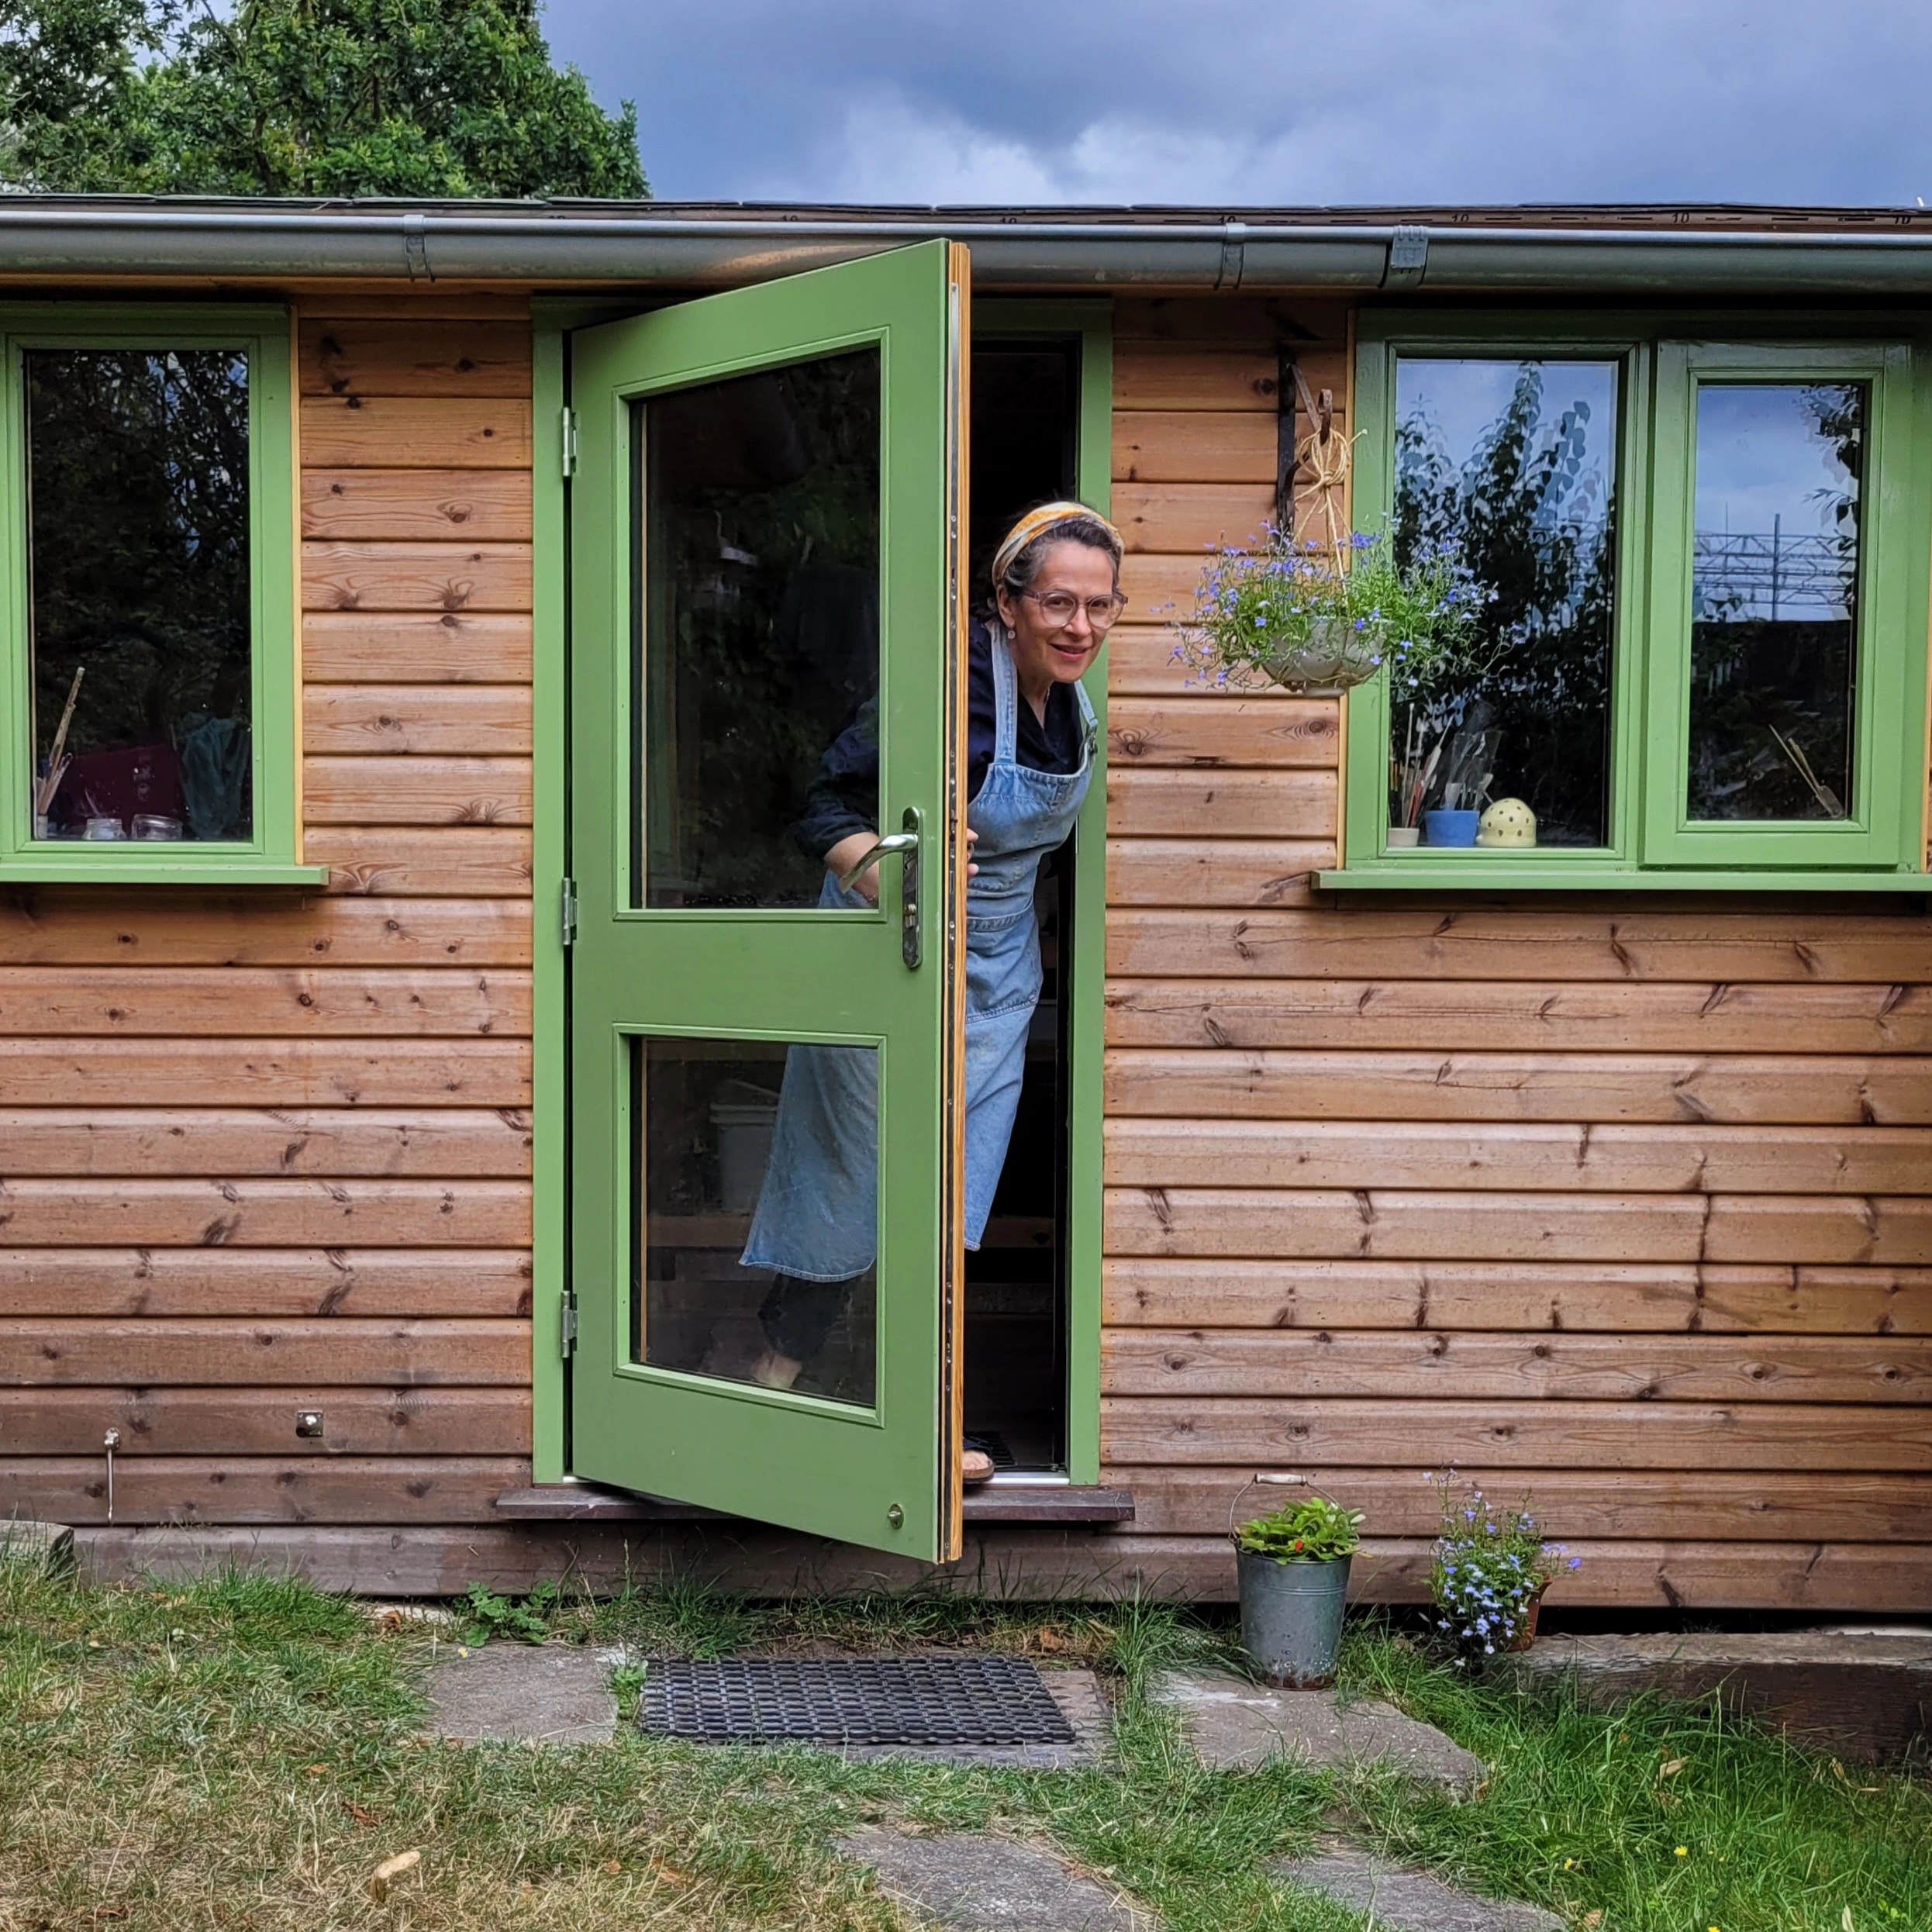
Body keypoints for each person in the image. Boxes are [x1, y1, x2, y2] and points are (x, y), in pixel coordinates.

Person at [737, 502, 1126, 1477]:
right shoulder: (951, 682)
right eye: (1058, 603)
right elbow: (820, 803)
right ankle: (762, 1392)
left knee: (952, 1201)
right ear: (1006, 600)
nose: (1080, 625)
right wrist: (883, 864)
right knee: (855, 1185)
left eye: (1099, 605)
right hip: (890, 955)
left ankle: (918, 1423)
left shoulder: (1071, 703)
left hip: (996, 982)